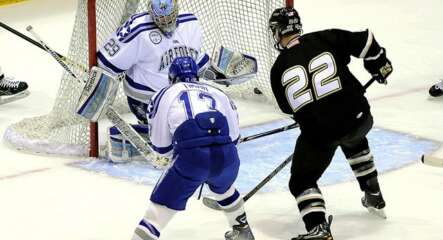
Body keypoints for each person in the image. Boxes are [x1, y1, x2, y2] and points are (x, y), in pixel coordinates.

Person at [268, 7, 393, 240]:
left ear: (277, 32)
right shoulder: (322, 37)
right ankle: (372, 192)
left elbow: (289, 109)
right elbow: (367, 41)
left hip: (321, 133)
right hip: (360, 116)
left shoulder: (277, 69)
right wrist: (378, 65)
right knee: (352, 135)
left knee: (302, 180)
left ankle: (318, 227)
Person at [131, 56, 255, 240]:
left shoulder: (165, 93)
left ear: (171, 78)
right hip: (228, 157)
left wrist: (174, 156)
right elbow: (235, 138)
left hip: (192, 159)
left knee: (156, 214)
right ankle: (243, 231)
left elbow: (161, 146)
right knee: (225, 187)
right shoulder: (219, 93)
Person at [97, 0, 210, 162]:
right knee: (187, 136)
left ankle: (145, 135)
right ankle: (144, 132)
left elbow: (198, 62)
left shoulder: (191, 22)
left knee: (197, 128)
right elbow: (105, 63)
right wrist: (99, 87)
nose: (166, 24)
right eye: (161, 19)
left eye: (170, 17)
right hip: (146, 101)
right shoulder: (137, 28)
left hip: (183, 95)